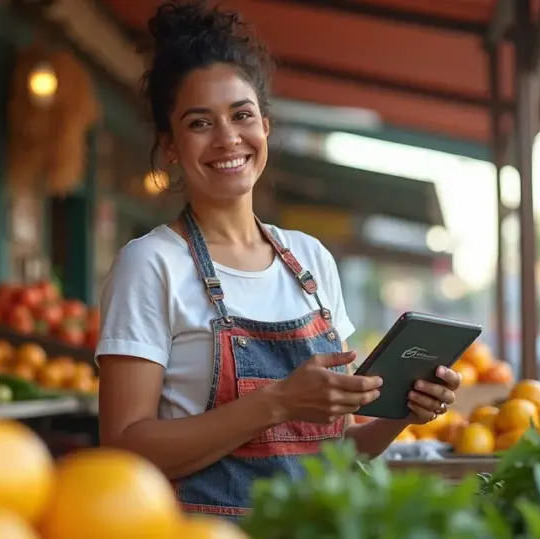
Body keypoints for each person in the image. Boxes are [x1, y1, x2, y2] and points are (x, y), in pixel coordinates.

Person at [94, 0, 461, 518]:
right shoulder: (151, 264)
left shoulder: (312, 261)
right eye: (200, 122)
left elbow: (337, 452)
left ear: (264, 126)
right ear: (170, 145)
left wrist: (403, 411)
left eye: (241, 115)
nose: (228, 138)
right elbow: (124, 451)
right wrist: (279, 402)